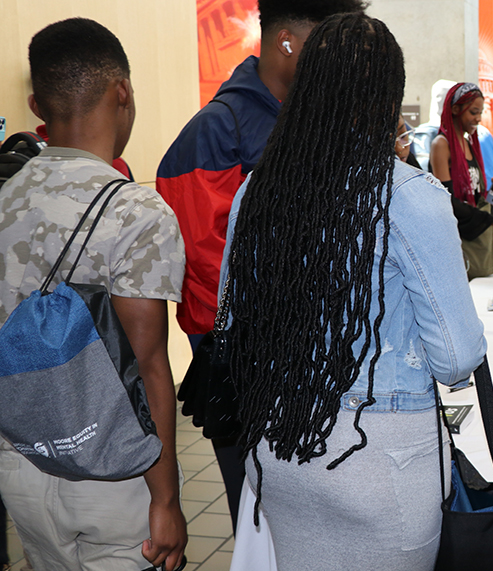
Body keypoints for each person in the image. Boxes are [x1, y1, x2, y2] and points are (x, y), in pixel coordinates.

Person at [222, 14, 486, 570]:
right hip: (379, 464)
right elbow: (457, 360)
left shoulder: (256, 190)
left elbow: (233, 324)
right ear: (389, 97)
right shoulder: (411, 197)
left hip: (279, 453)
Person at [157, 0, 366, 529]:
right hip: (254, 365)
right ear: (288, 42)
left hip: (323, 355)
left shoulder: (316, 120)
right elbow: (208, 268)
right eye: (326, 44)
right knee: (259, 517)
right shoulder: (217, 129)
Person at [0, 18, 187, 570]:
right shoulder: (135, 210)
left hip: (22, 466)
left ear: (37, 104)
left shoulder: (4, 197)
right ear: (122, 91)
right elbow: (150, 364)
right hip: (114, 471)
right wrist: (167, 500)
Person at [430, 82, 493, 279]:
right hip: (458, 241)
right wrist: (489, 219)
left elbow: (475, 194)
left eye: (480, 112)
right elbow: (445, 200)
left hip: (476, 239)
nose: (478, 118)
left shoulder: (467, 143)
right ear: (455, 109)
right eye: (474, 112)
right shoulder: (442, 144)